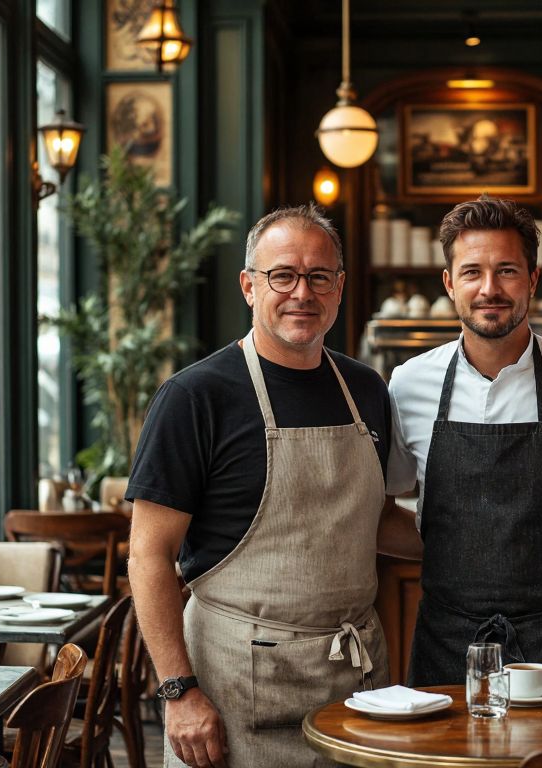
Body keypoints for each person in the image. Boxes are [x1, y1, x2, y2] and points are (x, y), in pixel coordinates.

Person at [127, 204, 393, 768]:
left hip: (356, 685)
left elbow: (370, 518)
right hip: (234, 692)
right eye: (283, 276)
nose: (303, 292)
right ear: (250, 286)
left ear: (339, 287)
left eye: (319, 276)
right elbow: (149, 555)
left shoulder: (367, 390)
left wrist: (479, 532)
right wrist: (178, 692)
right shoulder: (194, 397)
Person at [385, 197, 542, 691]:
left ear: (533, 279)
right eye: (472, 271)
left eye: (507, 271)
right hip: (447, 642)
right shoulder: (408, 385)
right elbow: (382, 512)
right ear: (449, 282)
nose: (490, 289)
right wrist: (467, 558)